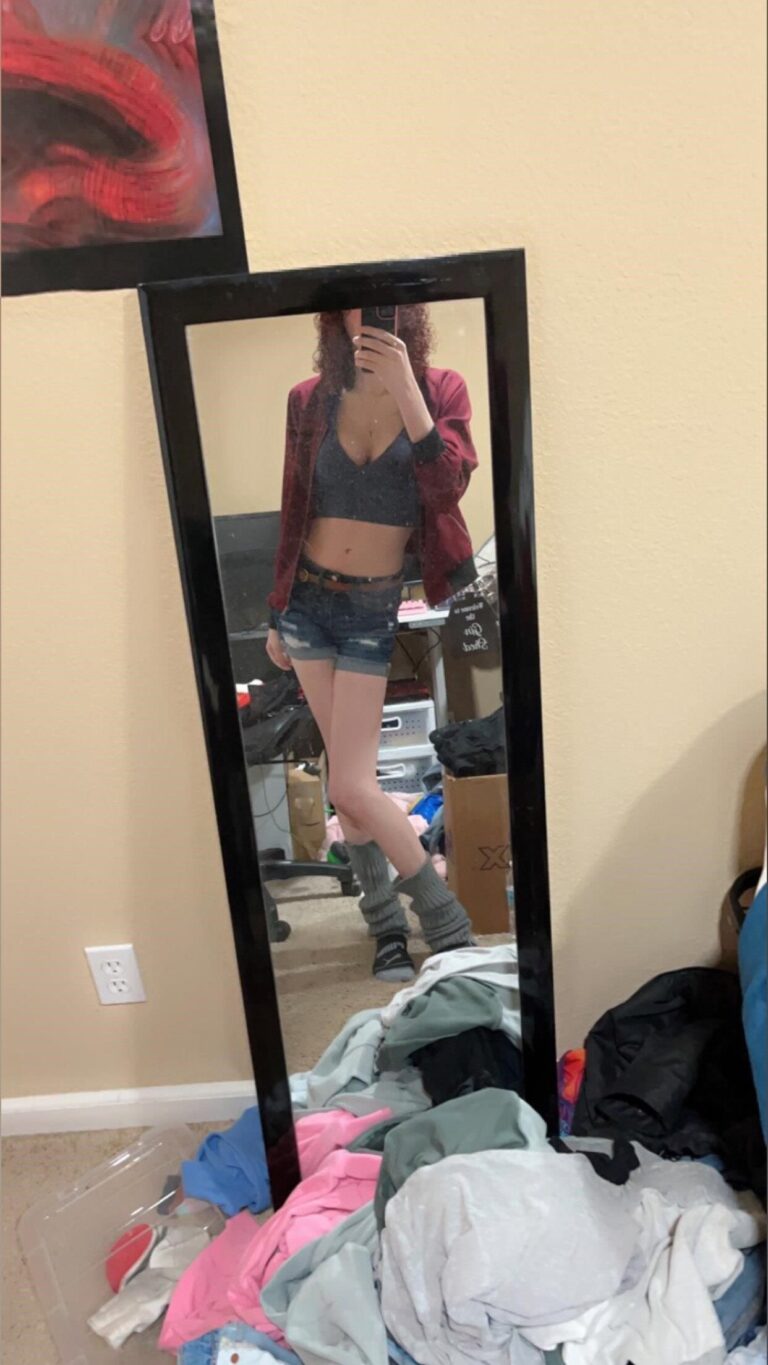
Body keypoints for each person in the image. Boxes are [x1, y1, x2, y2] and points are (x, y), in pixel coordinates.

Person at [267, 306, 478, 981]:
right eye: (350, 309)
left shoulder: (441, 389)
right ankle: (386, 927)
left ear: (404, 314)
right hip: (307, 604)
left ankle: (446, 924)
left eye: (378, 305)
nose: (364, 320)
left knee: (352, 784)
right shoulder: (309, 400)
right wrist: (276, 610)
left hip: (370, 608)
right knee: (348, 782)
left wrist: (408, 390)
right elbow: (294, 504)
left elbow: (447, 490)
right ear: (333, 320)